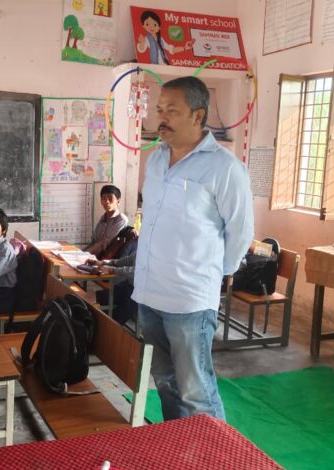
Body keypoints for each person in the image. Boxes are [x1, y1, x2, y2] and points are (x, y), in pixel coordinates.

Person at [132, 76, 254, 421]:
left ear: (198, 115)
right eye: (159, 109)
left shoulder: (224, 168)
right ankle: (180, 444)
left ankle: (218, 450)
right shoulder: (156, 160)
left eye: (172, 110)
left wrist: (214, 274)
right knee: (165, 382)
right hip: (149, 293)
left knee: (196, 391)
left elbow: (241, 231)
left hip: (189, 299)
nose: (161, 117)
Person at [85, 185, 128, 257]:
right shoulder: (102, 219)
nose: (107, 202)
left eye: (110, 198)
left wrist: (84, 254)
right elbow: (93, 241)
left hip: (109, 260)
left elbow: (103, 244)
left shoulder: (121, 219)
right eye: (104, 198)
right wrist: (80, 253)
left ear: (118, 201)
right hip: (94, 257)